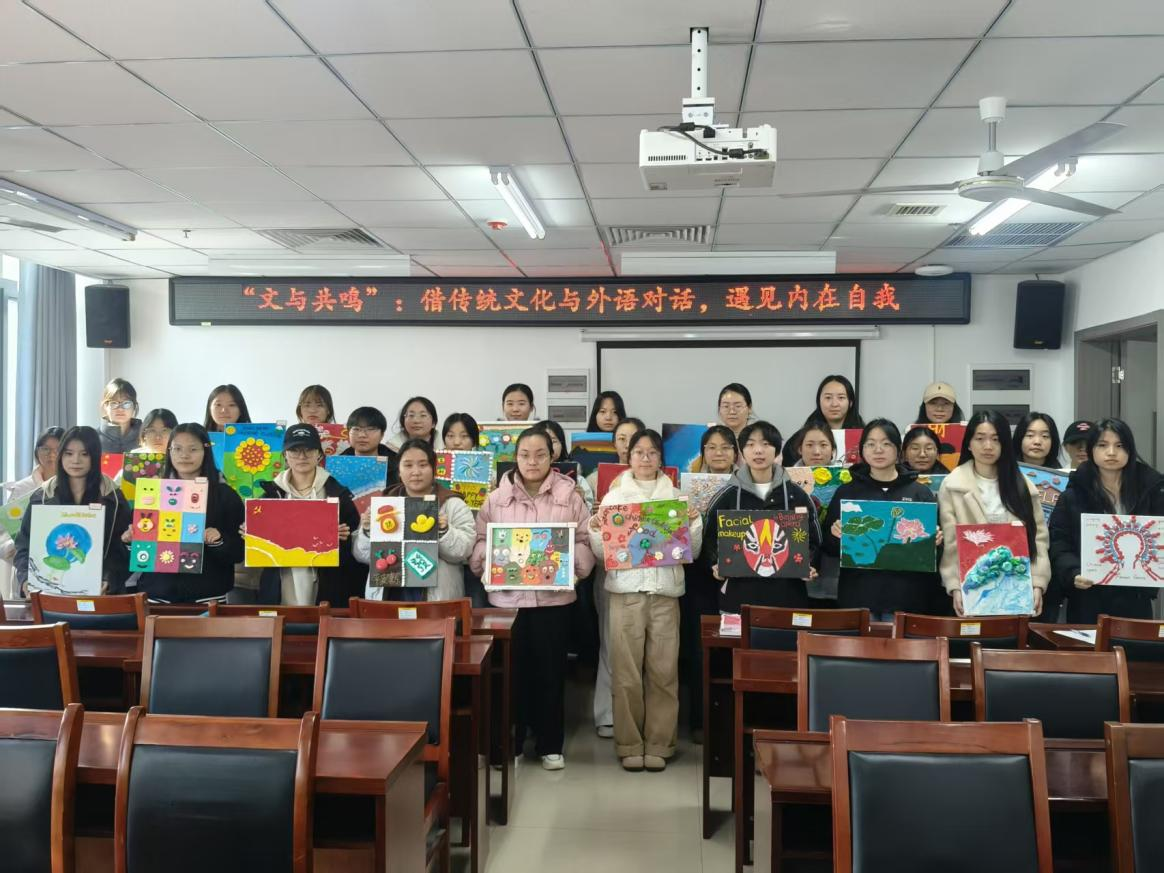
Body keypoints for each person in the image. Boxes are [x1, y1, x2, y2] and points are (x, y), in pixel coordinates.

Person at [470, 428, 596, 771]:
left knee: (551, 673)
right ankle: (508, 743)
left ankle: (550, 744)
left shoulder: (570, 495)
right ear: (515, 457)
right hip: (507, 603)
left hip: (553, 602)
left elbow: (585, 540)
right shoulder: (496, 498)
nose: (532, 461)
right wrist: (488, 558)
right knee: (509, 675)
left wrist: (572, 564)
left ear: (552, 457)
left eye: (540, 454)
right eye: (525, 454)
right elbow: (479, 540)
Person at [589, 429, 702, 772]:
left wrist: (694, 523)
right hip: (625, 593)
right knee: (625, 673)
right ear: (629, 457)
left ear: (661, 459)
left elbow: (692, 552)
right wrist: (595, 529)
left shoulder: (677, 499)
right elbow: (602, 555)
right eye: (639, 452)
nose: (645, 458)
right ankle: (629, 743)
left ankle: (659, 743)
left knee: (664, 672)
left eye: (652, 452)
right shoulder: (614, 498)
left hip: (665, 593)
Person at [822, 420, 943, 620]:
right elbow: (828, 547)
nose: (878, 450)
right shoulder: (848, 492)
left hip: (906, 597)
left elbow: (935, 554)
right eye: (870, 444)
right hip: (859, 596)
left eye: (886, 443)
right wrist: (836, 536)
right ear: (862, 450)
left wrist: (935, 542)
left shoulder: (920, 493)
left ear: (898, 450)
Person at [937, 411, 1051, 618]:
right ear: (969, 443)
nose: (988, 446)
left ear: (1005, 444)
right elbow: (951, 543)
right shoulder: (953, 485)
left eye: (995, 439)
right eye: (980, 438)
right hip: (972, 586)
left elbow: (1038, 540)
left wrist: (1037, 583)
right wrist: (955, 586)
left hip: (1016, 587)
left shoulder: (1024, 486)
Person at [1050, 419, 1164, 623]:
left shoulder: (1152, 492)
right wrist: (1073, 572)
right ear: (1092, 450)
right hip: (1088, 596)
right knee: (1089, 644)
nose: (1111, 452)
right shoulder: (1072, 496)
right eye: (1102, 445)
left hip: (1136, 598)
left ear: (1130, 450)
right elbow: (1059, 542)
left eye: (1119, 445)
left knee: (1135, 644)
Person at [702, 421, 822, 613]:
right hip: (738, 599)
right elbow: (709, 538)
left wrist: (809, 564)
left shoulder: (797, 496)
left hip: (788, 597)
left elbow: (814, 541)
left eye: (765, 444)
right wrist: (715, 564)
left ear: (777, 451)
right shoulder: (727, 496)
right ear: (742, 452)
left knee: (786, 633)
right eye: (750, 444)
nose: (758, 450)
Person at [128, 424, 245, 604]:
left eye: (193, 449)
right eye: (177, 449)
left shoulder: (224, 495)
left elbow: (239, 552)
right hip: (157, 597)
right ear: (169, 451)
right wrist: (130, 540)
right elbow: (137, 550)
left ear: (206, 451)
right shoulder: (152, 493)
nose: (184, 455)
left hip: (208, 598)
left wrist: (219, 540)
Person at [14, 425, 132, 596]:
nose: (76, 460)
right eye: (69, 453)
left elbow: (124, 549)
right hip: (49, 595)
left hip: (102, 597)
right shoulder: (42, 496)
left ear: (95, 457)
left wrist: (109, 579)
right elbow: (24, 546)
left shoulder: (113, 497)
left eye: (84, 454)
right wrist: (26, 580)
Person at [353, 438, 475, 603]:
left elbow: (464, 551)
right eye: (408, 465)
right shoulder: (385, 504)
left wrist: (444, 531)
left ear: (434, 469)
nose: (416, 472)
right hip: (390, 594)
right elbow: (361, 555)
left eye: (423, 465)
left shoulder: (452, 504)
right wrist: (367, 531)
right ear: (399, 470)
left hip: (435, 598)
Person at [255, 424, 362, 606]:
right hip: (281, 586)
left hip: (327, 587)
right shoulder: (270, 495)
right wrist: (252, 533)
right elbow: (259, 549)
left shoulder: (338, 494)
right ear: (285, 455)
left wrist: (340, 540)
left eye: (309, 450)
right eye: (294, 450)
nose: (302, 456)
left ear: (319, 454)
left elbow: (355, 553)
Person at [680, 425, 738, 743]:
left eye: (726, 447)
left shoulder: (746, 487)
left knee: (732, 647)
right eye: (711, 447)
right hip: (698, 575)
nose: (718, 453)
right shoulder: (686, 487)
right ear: (702, 453)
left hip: (735, 577)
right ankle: (700, 721)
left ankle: (730, 720)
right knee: (699, 648)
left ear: (736, 453)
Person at [590, 415, 645, 738]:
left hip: (650, 573)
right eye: (622, 439)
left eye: (634, 439)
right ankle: (607, 713)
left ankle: (640, 716)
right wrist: (595, 517)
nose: (628, 446)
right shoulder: (597, 478)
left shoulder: (663, 480)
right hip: (612, 571)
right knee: (611, 642)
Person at [1, 427, 64, 598]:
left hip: (64, 570)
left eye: (58, 449)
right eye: (45, 449)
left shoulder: (75, 487)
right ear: (37, 452)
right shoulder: (21, 488)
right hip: (28, 572)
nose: (52, 455)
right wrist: (15, 545)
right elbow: (3, 537)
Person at [441, 412, 487, 607]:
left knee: (476, 609)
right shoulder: (434, 469)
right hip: (446, 555)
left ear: (474, 441)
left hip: (476, 554)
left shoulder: (488, 470)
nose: (456, 442)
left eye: (464, 436)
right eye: (450, 436)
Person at [98, 377, 142, 453]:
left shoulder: (146, 437)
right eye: (114, 403)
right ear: (105, 406)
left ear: (134, 406)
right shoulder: (93, 439)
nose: (120, 409)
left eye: (126, 403)